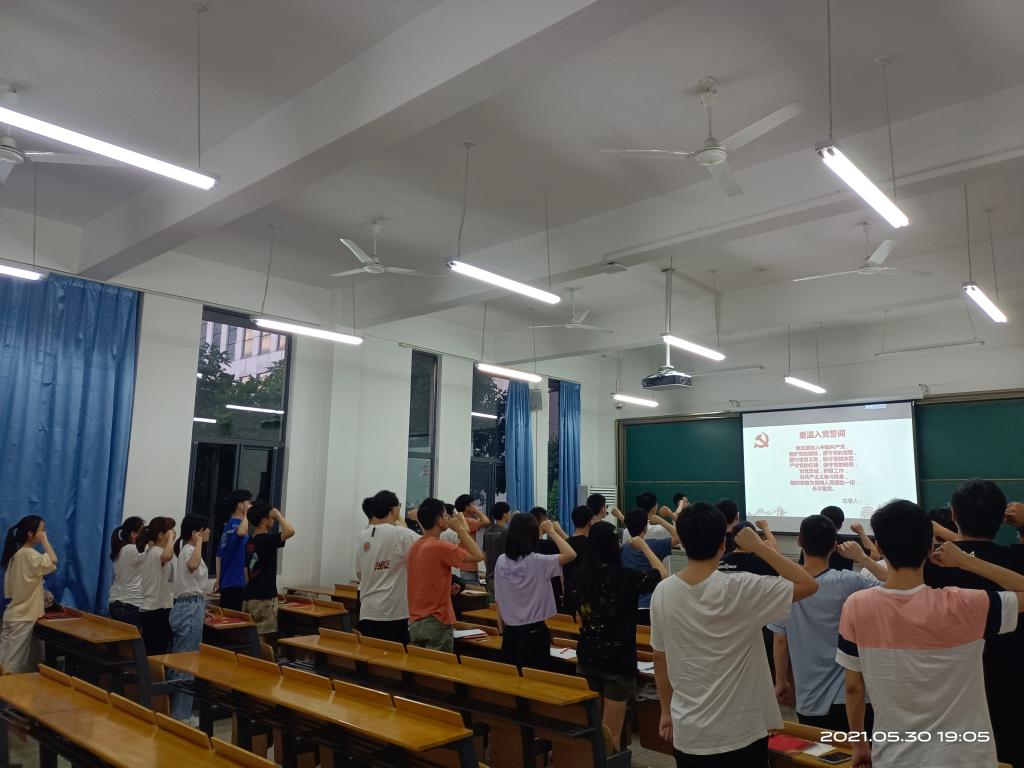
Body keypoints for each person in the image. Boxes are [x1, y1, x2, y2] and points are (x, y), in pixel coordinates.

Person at [838, 499, 1024, 768]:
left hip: (895, 757)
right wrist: (967, 562)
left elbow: (853, 687)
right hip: (966, 757)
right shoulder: (965, 603)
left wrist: (859, 744)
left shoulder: (857, 605)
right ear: (929, 548)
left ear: (880, 548)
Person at [650, 503, 819, 766]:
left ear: (681, 541)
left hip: (688, 731)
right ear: (723, 543)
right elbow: (809, 583)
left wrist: (665, 710)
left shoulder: (663, 591)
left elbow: (660, 658)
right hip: (741, 732)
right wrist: (760, 546)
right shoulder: (741, 587)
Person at [923, 480, 1024, 768]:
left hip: (945, 688)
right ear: (1001, 520)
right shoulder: (1016, 559)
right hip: (1010, 684)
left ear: (953, 515)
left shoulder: (930, 565)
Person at [769, 515, 886, 732]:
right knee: (857, 750)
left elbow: (780, 639)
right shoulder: (849, 581)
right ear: (834, 546)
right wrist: (863, 558)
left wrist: (781, 680)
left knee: (819, 751)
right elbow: (893, 584)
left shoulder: (785, 585)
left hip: (809, 696)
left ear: (799, 541)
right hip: (852, 693)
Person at [570, 521, 667, 751]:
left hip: (587, 656)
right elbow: (663, 575)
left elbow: (580, 617)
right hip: (617, 661)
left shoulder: (580, 577)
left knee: (592, 729)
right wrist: (644, 547)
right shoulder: (624, 577)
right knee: (610, 735)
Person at [494, 514, 576, 670]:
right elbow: (571, 554)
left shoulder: (501, 560)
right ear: (533, 536)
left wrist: (501, 629)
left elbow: (498, 598)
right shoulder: (539, 561)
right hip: (534, 631)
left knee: (513, 677)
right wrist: (551, 531)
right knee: (535, 677)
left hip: (510, 631)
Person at [406, 499, 484, 652]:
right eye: (446, 515)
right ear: (439, 520)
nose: (449, 518)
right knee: (438, 665)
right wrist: (460, 529)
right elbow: (478, 555)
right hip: (436, 620)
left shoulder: (415, 546)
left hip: (416, 620)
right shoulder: (440, 546)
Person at [354, 490, 419, 644]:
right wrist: (419, 519)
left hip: (367, 609)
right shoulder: (401, 533)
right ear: (393, 509)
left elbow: (359, 573)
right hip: (392, 611)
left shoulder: (363, 534)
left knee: (371, 654)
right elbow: (429, 547)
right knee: (396, 656)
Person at [0, 516, 57, 673]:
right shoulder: (29, 554)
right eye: (42, 530)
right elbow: (53, 560)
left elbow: (11, 590)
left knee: (6, 662)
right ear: (31, 533)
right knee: (11, 667)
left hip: (14, 615)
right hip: (23, 618)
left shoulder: (16, 555)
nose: (44, 533)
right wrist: (45, 541)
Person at [169, 515, 211, 722]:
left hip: (192, 604)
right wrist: (199, 543)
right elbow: (193, 566)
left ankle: (180, 713)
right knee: (186, 663)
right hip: (189, 607)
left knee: (184, 660)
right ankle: (181, 716)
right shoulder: (189, 549)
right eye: (205, 529)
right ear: (196, 532)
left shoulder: (188, 549)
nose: (209, 532)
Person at [242, 503, 295, 639]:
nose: (273, 520)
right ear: (263, 521)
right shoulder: (267, 540)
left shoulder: (250, 541)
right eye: (270, 517)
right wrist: (278, 515)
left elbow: (245, 571)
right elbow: (290, 531)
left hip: (249, 595)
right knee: (262, 638)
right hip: (264, 596)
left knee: (252, 637)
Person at [622, 507, 678, 624]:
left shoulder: (622, 549)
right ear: (645, 528)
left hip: (628, 605)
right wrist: (661, 520)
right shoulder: (654, 545)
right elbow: (679, 537)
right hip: (649, 605)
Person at [136, 517, 176, 655]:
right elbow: (167, 556)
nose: (174, 532)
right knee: (156, 652)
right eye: (170, 530)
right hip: (155, 610)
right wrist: (170, 538)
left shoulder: (154, 550)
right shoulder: (156, 552)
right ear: (161, 535)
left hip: (157, 608)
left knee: (157, 649)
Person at [214, 489, 251, 611]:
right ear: (240, 505)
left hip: (226, 582)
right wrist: (247, 514)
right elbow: (242, 532)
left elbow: (219, 554)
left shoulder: (228, 525)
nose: (250, 505)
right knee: (237, 619)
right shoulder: (238, 525)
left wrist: (219, 579)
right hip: (237, 582)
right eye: (248, 502)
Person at [108, 516, 146, 626]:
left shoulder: (122, 549)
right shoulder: (132, 549)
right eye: (143, 531)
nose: (145, 534)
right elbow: (161, 556)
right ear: (133, 534)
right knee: (133, 637)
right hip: (129, 604)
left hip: (120, 602)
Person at [453, 494, 490, 584]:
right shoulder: (468, 521)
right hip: (468, 568)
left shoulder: (455, 521)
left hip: (459, 566)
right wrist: (477, 511)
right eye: (472, 505)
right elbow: (486, 521)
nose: (474, 507)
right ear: (467, 507)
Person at [481, 502, 511, 605]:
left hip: (490, 575)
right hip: (503, 577)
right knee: (504, 607)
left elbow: (484, 554)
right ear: (505, 514)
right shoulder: (506, 532)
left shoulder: (487, 531)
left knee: (493, 607)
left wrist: (488, 570)